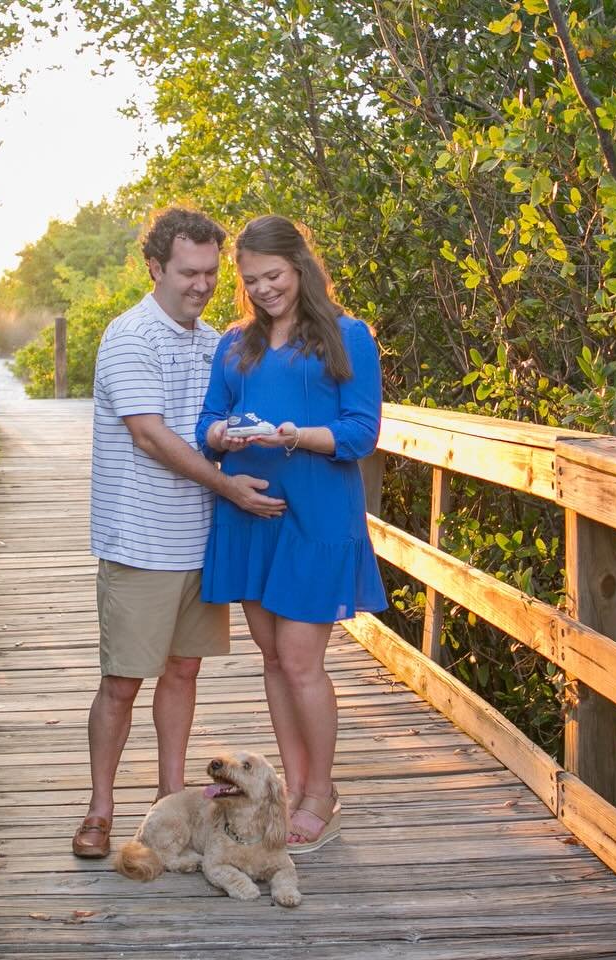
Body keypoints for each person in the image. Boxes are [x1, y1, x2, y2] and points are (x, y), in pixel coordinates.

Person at [74, 207, 287, 858]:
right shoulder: (129, 335)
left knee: (184, 672)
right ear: (155, 268)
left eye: (210, 274)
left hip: (201, 542)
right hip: (141, 540)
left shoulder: (216, 343)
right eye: (188, 272)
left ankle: (171, 799)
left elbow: (234, 419)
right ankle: (100, 809)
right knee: (121, 681)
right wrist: (228, 486)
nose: (200, 284)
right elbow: (150, 435)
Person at [197, 214, 387, 854]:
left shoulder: (348, 337)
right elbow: (208, 424)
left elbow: (361, 433)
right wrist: (221, 436)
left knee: (304, 662)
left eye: (273, 276)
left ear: (301, 266)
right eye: (251, 282)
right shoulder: (237, 344)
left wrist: (294, 437)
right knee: (274, 659)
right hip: (253, 520)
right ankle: (292, 786)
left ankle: (321, 793)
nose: (264, 290)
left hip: (317, 519)